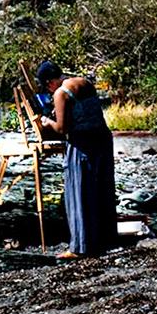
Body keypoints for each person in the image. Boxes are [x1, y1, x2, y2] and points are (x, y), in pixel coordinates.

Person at [33, 61, 116, 258]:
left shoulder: (60, 93)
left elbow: (63, 129)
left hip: (83, 144)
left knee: (80, 193)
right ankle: (105, 240)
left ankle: (81, 247)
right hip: (102, 139)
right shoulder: (84, 82)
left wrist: (47, 122)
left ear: (49, 82)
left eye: (46, 86)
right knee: (102, 191)